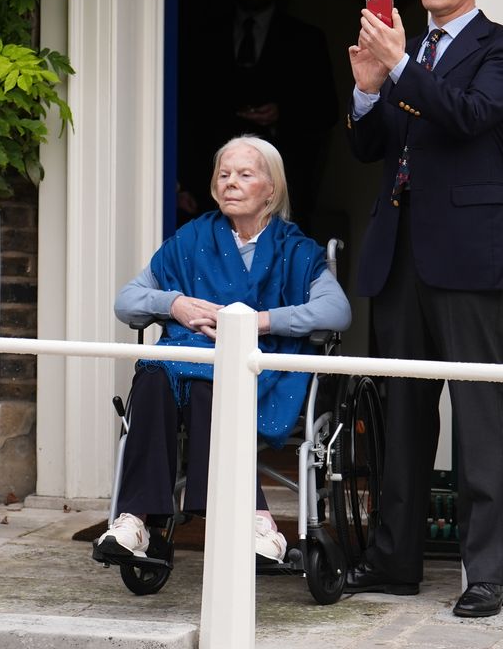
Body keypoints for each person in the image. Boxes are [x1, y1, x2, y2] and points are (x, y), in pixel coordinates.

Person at [345, 0, 503, 618]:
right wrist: (368, 88)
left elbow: (469, 117)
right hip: (400, 253)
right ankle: (392, 563)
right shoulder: (403, 54)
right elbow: (371, 148)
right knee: (401, 417)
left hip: (471, 260)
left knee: (481, 422)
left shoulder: (497, 49)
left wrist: (405, 68)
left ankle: (488, 575)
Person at [96, 136, 351, 564]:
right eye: (223, 174)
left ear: (271, 188)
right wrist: (172, 303)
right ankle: (135, 520)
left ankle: (253, 517)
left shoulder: (296, 249)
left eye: (244, 175)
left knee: (205, 382)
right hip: (185, 360)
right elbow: (127, 301)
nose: (230, 183)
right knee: (155, 371)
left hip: (263, 367)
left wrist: (261, 321)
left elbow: (336, 311)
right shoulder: (192, 238)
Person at [178, 0, 339, 234]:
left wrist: (282, 114)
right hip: (210, 185)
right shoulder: (204, 34)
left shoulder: (305, 39)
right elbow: (186, 107)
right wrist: (184, 180)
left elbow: (325, 111)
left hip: (282, 183)